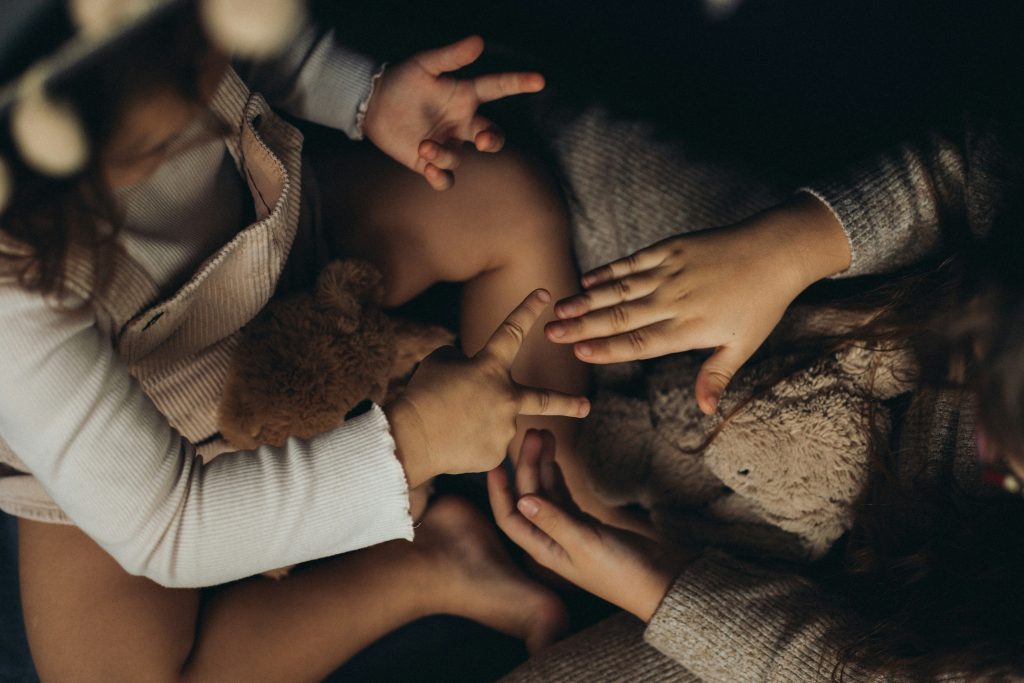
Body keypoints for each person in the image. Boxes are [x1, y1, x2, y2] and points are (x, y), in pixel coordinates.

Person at [0, 1, 592, 678]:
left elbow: (275, 54)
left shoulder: (179, 31)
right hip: (139, 427)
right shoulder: (13, 292)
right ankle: (424, 566)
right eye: (158, 149)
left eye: (207, 67)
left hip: (298, 264)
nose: (202, 122)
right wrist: (418, 440)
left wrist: (365, 97)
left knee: (506, 198)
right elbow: (167, 525)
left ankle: (568, 492)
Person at [488, 107, 1024, 680]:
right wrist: (789, 247)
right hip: (879, 313)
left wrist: (659, 584)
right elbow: (981, 169)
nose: (976, 432)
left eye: (1012, 465)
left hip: (864, 649)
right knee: (517, 163)